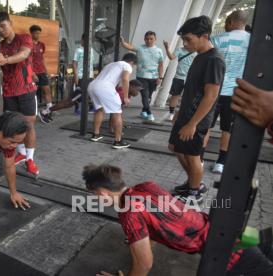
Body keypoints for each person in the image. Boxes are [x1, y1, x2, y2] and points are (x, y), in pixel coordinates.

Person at [82, 164, 273, 276]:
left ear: (103, 193)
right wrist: (145, 238)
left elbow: (144, 264)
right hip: (228, 231)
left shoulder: (128, 213)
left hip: (228, 252)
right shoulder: (147, 186)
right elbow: (162, 218)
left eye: (94, 196)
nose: (96, 200)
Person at [169, 16, 225, 203]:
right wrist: (179, 111)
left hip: (197, 119)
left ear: (205, 36)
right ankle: (193, 181)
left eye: (188, 39)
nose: (185, 44)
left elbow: (211, 95)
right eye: (183, 39)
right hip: (186, 114)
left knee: (192, 156)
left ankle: (195, 192)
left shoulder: (214, 59)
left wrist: (193, 123)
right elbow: (193, 88)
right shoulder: (200, 57)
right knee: (175, 148)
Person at [0, 12, 39, 176]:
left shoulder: (24, 38)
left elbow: (24, 54)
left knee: (28, 126)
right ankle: (21, 153)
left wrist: (5, 60)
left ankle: (29, 159)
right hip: (8, 92)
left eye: (3, 26)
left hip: (26, 90)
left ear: (10, 23)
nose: (1, 30)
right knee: (13, 126)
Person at [209, 10, 250, 174]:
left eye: (227, 22)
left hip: (215, 89)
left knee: (207, 126)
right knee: (227, 128)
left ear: (232, 21)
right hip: (236, 91)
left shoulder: (217, 39)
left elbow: (209, 64)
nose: (226, 25)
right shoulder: (252, 41)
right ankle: (221, 162)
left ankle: (200, 159)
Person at [87, 53, 138, 149]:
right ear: (131, 62)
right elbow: (125, 79)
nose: (132, 67)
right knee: (117, 113)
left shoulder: (111, 64)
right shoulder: (127, 65)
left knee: (99, 109)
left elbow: (112, 80)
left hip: (92, 85)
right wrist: (126, 97)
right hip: (104, 87)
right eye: (133, 65)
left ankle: (95, 135)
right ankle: (118, 141)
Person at [40, 80, 143, 122]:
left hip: (90, 94)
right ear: (131, 87)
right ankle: (45, 112)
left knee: (68, 104)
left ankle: (48, 112)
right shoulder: (122, 94)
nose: (138, 93)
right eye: (137, 90)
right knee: (67, 103)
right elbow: (115, 114)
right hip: (86, 91)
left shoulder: (125, 94)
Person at [120, 31, 164, 121]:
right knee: (145, 95)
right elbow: (129, 47)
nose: (149, 40)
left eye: (151, 39)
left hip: (154, 78)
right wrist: (122, 42)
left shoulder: (159, 51)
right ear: (144, 39)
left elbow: (161, 65)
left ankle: (143, 111)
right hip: (141, 77)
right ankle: (149, 113)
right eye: (147, 39)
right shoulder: (140, 48)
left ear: (155, 39)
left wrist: (160, 77)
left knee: (149, 96)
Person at [162, 40, 197, 121]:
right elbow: (171, 57)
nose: (185, 43)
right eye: (184, 41)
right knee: (175, 96)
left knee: (190, 97)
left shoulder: (196, 51)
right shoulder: (180, 50)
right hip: (178, 77)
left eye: (187, 41)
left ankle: (186, 114)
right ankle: (171, 113)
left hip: (190, 78)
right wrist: (167, 48)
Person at [29, 25, 53, 123]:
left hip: (42, 72)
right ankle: (32, 114)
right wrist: (31, 73)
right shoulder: (28, 45)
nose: (38, 35)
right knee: (32, 94)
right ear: (31, 33)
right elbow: (27, 60)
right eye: (36, 33)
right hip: (32, 73)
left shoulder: (41, 45)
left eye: (39, 33)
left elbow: (42, 59)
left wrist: (47, 72)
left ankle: (49, 111)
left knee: (47, 91)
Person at [72, 34, 95, 114]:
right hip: (80, 75)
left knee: (90, 91)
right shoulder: (78, 50)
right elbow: (74, 63)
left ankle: (91, 107)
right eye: (85, 40)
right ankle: (77, 107)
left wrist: (93, 75)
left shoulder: (91, 50)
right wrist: (76, 76)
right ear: (82, 40)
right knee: (79, 92)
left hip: (90, 75)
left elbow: (91, 64)